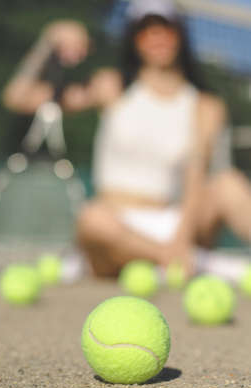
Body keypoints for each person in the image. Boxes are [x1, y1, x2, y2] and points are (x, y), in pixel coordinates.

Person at [77, 0, 251, 279]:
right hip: (119, 225)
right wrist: (50, 45)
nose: (157, 38)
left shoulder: (206, 104)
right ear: (134, 39)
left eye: (165, 30)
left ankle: (178, 257)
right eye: (146, 31)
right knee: (91, 218)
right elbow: (20, 96)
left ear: (180, 35)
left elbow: (196, 170)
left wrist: (181, 238)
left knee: (228, 183)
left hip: (177, 222)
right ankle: (187, 262)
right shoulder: (111, 85)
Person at [2, 20, 122, 141]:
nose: (73, 55)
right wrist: (45, 46)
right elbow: (16, 99)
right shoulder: (92, 86)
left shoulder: (108, 82)